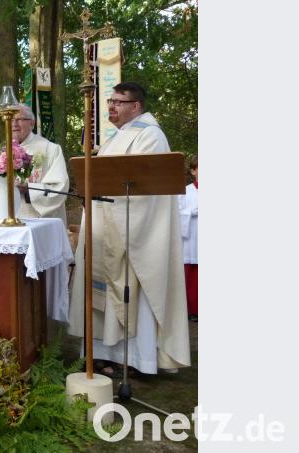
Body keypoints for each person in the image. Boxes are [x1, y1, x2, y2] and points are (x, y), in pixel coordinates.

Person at [67, 82, 191, 375]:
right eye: (110, 101)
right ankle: (104, 353)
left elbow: (147, 194)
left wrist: (106, 205)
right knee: (102, 296)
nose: (111, 106)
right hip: (105, 226)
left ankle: (136, 359)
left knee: (135, 295)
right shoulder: (116, 138)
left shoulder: (151, 137)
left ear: (136, 106)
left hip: (134, 234)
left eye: (118, 102)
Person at [0, 104, 69, 225]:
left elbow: (60, 187)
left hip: (39, 223)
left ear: (32, 123)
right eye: (10, 120)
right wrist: (1, 190)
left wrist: (28, 190)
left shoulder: (50, 150)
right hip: (5, 221)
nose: (14, 124)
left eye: (19, 119)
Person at [179, 156, 198, 322]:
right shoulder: (186, 191)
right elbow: (177, 213)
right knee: (192, 278)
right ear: (193, 171)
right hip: (192, 238)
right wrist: (191, 212)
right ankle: (193, 310)